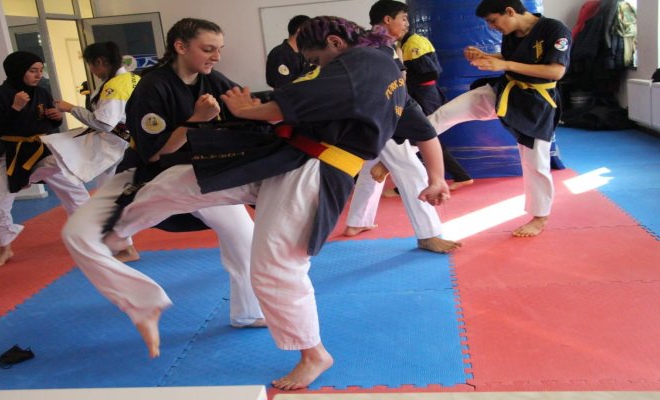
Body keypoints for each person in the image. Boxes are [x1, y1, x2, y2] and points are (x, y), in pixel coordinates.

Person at [86, 16, 445, 390]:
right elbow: (424, 130)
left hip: (317, 170)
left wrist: (246, 110)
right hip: (284, 155)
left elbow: (286, 106)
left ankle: (314, 354)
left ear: (337, 43)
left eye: (317, 59)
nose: (317, 67)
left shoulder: (363, 62)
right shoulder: (383, 74)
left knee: (276, 264)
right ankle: (118, 233)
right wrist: (435, 177)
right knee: (178, 181)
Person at [61, 18, 267, 347]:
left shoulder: (212, 80)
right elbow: (155, 153)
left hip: (198, 175)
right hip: (147, 176)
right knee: (78, 234)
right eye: (208, 49)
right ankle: (143, 302)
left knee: (245, 237)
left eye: (219, 50)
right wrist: (194, 121)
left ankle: (248, 311)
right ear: (180, 47)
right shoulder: (152, 87)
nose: (216, 57)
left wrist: (256, 109)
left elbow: (246, 107)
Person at [428, 0, 571, 237]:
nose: (492, 27)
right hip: (505, 90)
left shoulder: (553, 29)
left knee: (535, 161)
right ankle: (405, 147)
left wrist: (504, 63)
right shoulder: (511, 32)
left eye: (493, 21)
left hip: (537, 101)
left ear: (510, 11)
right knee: (445, 113)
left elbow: (556, 71)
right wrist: (487, 56)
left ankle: (540, 217)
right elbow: (512, 57)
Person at [343, 0, 461, 254]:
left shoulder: (385, 45)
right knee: (411, 170)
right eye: (403, 18)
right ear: (387, 19)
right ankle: (428, 235)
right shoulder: (371, 46)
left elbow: (400, 83)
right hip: (381, 116)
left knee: (371, 170)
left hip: (378, 115)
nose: (407, 24)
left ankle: (357, 222)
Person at [0, 51, 90, 268]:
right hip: (14, 154)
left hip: (44, 150)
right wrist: (15, 108)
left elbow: (49, 124)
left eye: (41, 70)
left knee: (75, 191)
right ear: (18, 71)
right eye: (33, 71)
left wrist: (56, 118)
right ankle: (5, 247)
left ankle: (88, 236)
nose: (38, 75)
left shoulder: (41, 92)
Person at [41, 41, 140, 262]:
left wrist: (71, 109)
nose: (92, 70)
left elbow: (104, 123)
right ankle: (116, 243)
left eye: (91, 65)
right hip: (125, 144)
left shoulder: (116, 86)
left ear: (100, 62)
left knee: (110, 198)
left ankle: (125, 247)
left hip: (115, 147)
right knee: (110, 196)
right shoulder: (131, 79)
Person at [401, 22, 474, 191]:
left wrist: (405, 82)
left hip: (425, 94)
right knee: (425, 137)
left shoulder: (414, 42)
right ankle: (460, 176)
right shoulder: (405, 43)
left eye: (404, 19)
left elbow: (431, 72)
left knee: (423, 136)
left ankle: (455, 176)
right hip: (422, 93)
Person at [265, 15, 313, 89]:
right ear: (299, 31)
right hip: (290, 96)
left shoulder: (302, 53)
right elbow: (283, 86)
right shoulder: (280, 54)